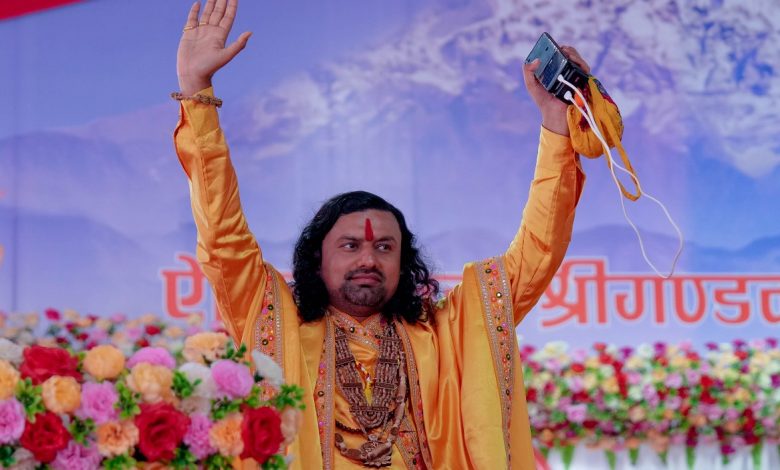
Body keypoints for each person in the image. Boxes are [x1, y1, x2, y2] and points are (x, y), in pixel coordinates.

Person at [174, 1, 587, 468]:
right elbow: (223, 235)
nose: (368, 259)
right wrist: (196, 91)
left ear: (403, 263)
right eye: (350, 245)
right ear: (317, 260)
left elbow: (538, 250)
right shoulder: (274, 320)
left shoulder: (444, 336)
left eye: (385, 247)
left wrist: (556, 124)